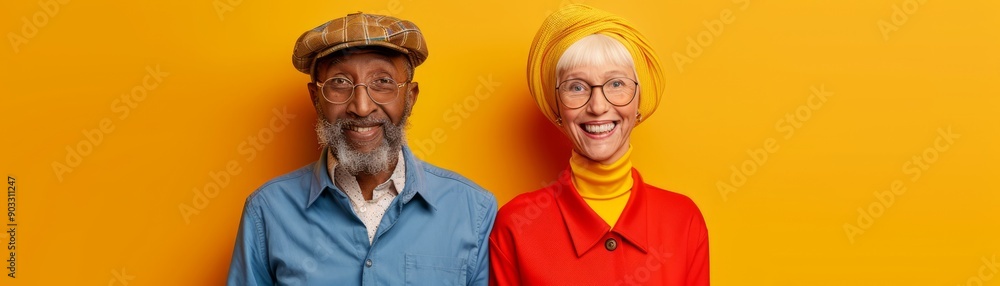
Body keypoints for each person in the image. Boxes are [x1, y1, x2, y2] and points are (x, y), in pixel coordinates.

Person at [227, 12, 497, 285]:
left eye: (383, 82)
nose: (362, 107)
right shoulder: (267, 210)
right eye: (339, 82)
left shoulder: (472, 210)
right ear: (315, 98)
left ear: (410, 97)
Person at [489, 4, 709, 285]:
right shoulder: (515, 225)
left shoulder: (683, 221)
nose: (598, 106)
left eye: (616, 84)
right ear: (557, 107)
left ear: (640, 101)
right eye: (576, 87)